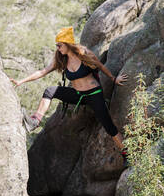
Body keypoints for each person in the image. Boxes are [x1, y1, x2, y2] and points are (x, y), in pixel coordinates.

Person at [10, 27, 128, 161]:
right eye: (57, 45)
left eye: (59, 45)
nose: (58, 48)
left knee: (109, 126)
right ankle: (35, 121)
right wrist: (21, 81)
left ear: (67, 43)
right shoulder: (61, 59)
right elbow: (42, 71)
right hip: (78, 95)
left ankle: (127, 154)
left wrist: (114, 79)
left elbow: (100, 66)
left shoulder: (84, 54)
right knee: (50, 91)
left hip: (94, 94)